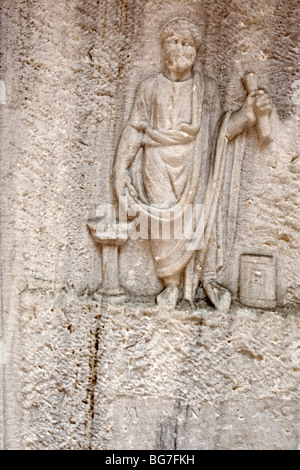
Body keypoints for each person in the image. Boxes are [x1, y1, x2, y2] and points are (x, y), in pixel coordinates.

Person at [113, 18, 271, 310]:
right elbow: (134, 129)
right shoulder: (149, 87)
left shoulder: (207, 88)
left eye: (187, 42)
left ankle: (205, 278)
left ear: (196, 50)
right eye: (173, 40)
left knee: (202, 213)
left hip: (196, 162)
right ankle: (171, 284)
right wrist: (120, 170)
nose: (181, 46)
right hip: (157, 162)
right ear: (164, 47)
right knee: (163, 221)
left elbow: (218, 133)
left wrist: (248, 114)